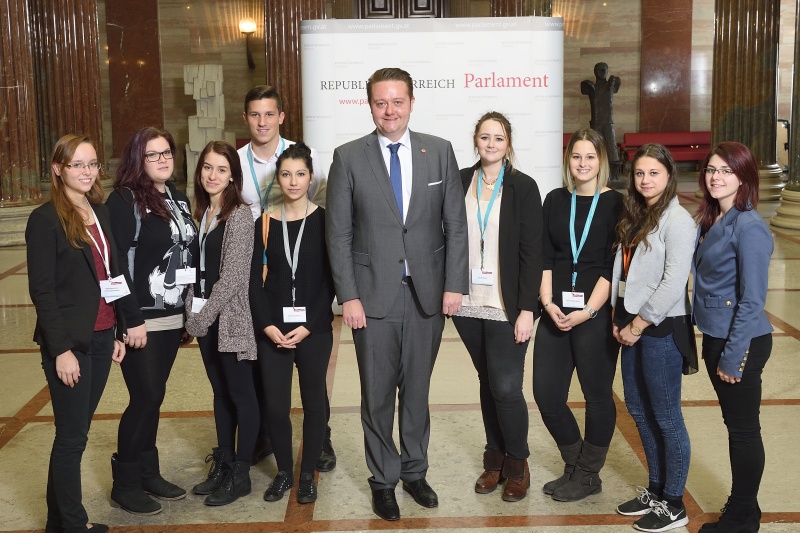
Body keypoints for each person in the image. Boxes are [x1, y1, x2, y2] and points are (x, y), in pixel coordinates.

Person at [326, 67, 469, 521]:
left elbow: (456, 225)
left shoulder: (439, 151)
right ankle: (383, 480)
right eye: (381, 102)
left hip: (427, 295)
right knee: (377, 395)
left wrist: (454, 285)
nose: (390, 111)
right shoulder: (349, 156)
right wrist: (348, 296)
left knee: (418, 391)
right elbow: (338, 234)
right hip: (371, 297)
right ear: (370, 105)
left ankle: (414, 471)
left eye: (397, 101)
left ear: (411, 102)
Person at [27, 134, 129, 533]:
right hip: (70, 343)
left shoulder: (98, 210)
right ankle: (73, 524)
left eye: (92, 164)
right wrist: (61, 351)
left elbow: (110, 274)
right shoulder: (45, 219)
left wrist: (119, 327)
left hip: (103, 335)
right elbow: (42, 291)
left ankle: (58, 522)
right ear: (58, 169)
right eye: (77, 165)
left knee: (76, 433)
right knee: (71, 438)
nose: (87, 172)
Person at [238, 85, 335, 471]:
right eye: (255, 114)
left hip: (307, 292)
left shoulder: (302, 157)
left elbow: (328, 275)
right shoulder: (238, 164)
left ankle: (318, 447)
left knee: (314, 393)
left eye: (269, 114)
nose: (262, 121)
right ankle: (272, 448)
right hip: (268, 277)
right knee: (270, 392)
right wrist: (265, 322)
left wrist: (313, 320)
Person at [452, 111, 542, 502]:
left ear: (508, 144)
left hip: (507, 306)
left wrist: (527, 309)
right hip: (468, 303)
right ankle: (495, 460)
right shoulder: (459, 180)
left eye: (499, 138)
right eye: (485, 137)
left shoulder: (523, 187)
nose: (491, 144)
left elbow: (532, 252)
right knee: (487, 382)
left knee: (506, 387)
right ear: (476, 140)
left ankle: (518, 464)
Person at [106, 127, 196, 515]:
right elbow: (115, 266)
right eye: (153, 155)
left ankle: (148, 472)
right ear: (137, 160)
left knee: (155, 396)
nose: (163, 160)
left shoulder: (176, 196)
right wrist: (130, 320)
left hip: (173, 315)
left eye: (167, 153)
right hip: (141, 318)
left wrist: (189, 314)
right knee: (145, 397)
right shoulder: (124, 200)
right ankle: (125, 483)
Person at [533, 128, 623, 502]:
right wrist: (547, 302)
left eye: (590, 157)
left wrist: (587, 311)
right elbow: (544, 255)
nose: (583, 163)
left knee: (597, 396)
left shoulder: (617, 203)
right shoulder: (555, 199)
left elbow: (612, 265)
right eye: (576, 156)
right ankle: (574, 465)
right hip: (555, 310)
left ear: (601, 161)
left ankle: (588, 475)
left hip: (594, 314)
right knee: (546, 395)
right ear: (567, 160)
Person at [611, 144, 697, 532]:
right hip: (632, 325)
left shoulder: (678, 220)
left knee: (665, 415)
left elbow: (672, 283)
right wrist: (619, 318)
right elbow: (626, 273)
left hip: (659, 328)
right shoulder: (637, 214)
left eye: (654, 173)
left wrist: (637, 325)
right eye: (640, 173)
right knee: (638, 408)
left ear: (669, 175)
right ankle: (657, 489)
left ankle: (674, 504)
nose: (645, 180)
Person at [692, 142, 773, 532]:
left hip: (740, 342)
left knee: (743, 430)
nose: (716, 177)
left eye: (726, 170)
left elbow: (753, 300)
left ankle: (742, 517)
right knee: (736, 425)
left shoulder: (749, 226)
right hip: (716, 334)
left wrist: (732, 356)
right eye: (711, 169)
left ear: (743, 177)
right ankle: (745, 506)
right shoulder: (714, 218)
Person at [185, 141, 259, 506]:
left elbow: (232, 279)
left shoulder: (240, 216)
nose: (212, 175)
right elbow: (194, 269)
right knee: (219, 392)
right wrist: (193, 313)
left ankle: (241, 474)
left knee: (241, 394)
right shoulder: (201, 212)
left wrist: (201, 318)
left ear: (233, 176)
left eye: (221, 169)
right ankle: (224, 462)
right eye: (207, 168)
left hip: (229, 320)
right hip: (205, 318)